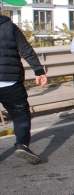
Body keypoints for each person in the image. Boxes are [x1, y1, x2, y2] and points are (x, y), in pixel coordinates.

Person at [0, 15, 48, 164]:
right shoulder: (9, 26)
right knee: (19, 113)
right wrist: (39, 71)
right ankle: (22, 144)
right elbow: (25, 49)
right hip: (9, 81)